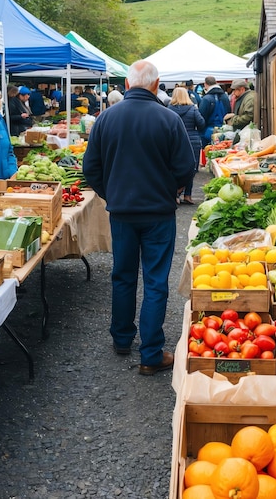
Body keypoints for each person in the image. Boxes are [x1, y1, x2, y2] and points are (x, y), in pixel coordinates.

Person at [82, 60, 195, 376]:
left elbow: (90, 168)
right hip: (158, 213)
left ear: (128, 85)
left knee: (123, 274)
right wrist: (169, 190)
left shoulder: (106, 119)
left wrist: (111, 193)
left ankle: (121, 339)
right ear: (157, 85)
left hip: (122, 212)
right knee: (156, 281)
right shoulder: (169, 119)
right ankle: (151, 353)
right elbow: (186, 167)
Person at [169, 87, 205, 205]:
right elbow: (201, 123)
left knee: (173, 167)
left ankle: (175, 194)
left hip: (175, 141)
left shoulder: (169, 109)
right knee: (191, 167)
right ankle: (188, 195)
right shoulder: (192, 109)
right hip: (192, 140)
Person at [198, 75, 230, 147]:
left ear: (205, 84)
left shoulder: (206, 98)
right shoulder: (225, 97)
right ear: (216, 82)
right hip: (224, 131)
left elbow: (201, 117)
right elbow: (229, 112)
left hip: (208, 133)